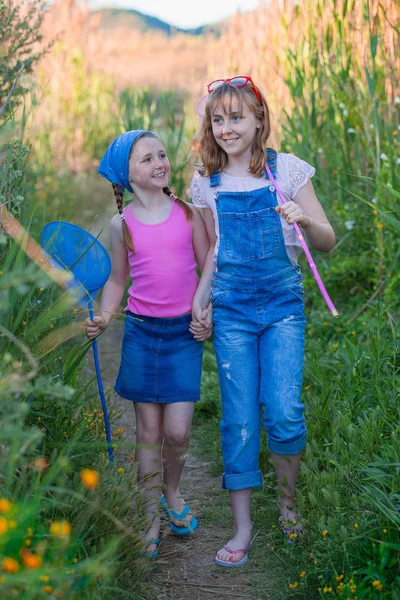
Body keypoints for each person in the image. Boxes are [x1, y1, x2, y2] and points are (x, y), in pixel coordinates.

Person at [189, 77, 335, 566]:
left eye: (236, 117)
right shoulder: (205, 182)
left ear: (258, 118)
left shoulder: (287, 171)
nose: (227, 128)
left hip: (281, 307)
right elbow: (213, 248)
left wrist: (305, 219)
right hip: (230, 309)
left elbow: (328, 240)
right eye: (218, 119)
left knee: (284, 411)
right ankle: (244, 526)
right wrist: (201, 298)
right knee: (240, 418)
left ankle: (289, 505)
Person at [85, 130, 212, 559]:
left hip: (182, 335)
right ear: (127, 175)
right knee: (148, 431)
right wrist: (104, 315)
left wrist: (206, 311)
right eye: (147, 159)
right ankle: (149, 513)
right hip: (142, 333)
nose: (160, 162)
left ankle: (171, 491)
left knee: (176, 431)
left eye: (161, 154)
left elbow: (207, 268)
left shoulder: (189, 214)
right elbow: (118, 279)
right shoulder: (122, 225)